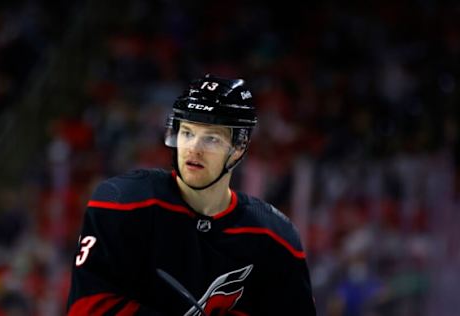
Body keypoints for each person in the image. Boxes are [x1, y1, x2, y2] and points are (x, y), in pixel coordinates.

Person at [66, 74, 316, 315]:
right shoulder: (121, 203)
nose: (194, 149)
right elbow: (86, 308)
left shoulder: (276, 239)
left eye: (211, 139)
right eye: (187, 133)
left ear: (239, 148)